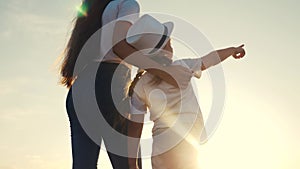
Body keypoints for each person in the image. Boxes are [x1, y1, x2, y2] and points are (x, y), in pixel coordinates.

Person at [59, 0, 193, 169]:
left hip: (80, 89)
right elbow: (119, 47)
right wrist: (165, 72)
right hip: (110, 84)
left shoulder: (94, 9)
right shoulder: (128, 4)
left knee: (83, 165)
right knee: (128, 165)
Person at [126, 15, 246, 169]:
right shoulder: (182, 67)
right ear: (166, 50)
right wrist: (232, 50)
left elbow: (135, 127)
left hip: (161, 145)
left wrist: (131, 163)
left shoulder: (140, 85)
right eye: (170, 44)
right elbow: (210, 58)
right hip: (187, 140)